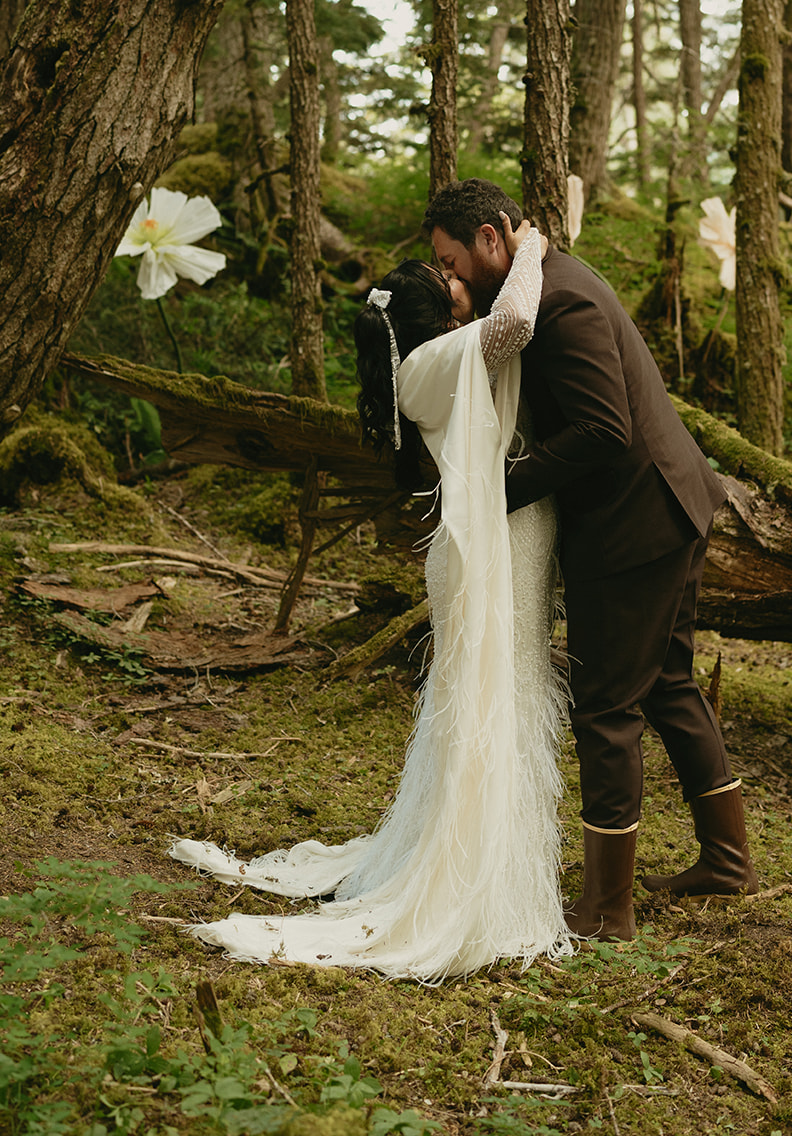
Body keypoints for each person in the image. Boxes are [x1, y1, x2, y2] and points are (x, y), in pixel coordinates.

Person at [169, 217, 573, 979]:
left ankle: (487, 855)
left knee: (502, 694)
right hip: (488, 549)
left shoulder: (438, 355)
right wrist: (535, 248)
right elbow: (516, 318)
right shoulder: (434, 361)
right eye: (450, 278)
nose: (463, 282)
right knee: (493, 699)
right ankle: (473, 877)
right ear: (435, 309)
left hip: (500, 538)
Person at [425, 178, 758, 941]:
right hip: (671, 504)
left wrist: (498, 489)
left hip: (636, 525)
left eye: (452, 261)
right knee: (670, 683)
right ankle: (727, 862)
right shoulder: (546, 276)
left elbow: (603, 429)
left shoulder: (559, 301)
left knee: (606, 709)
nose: (450, 280)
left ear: (489, 238)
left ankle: (607, 909)